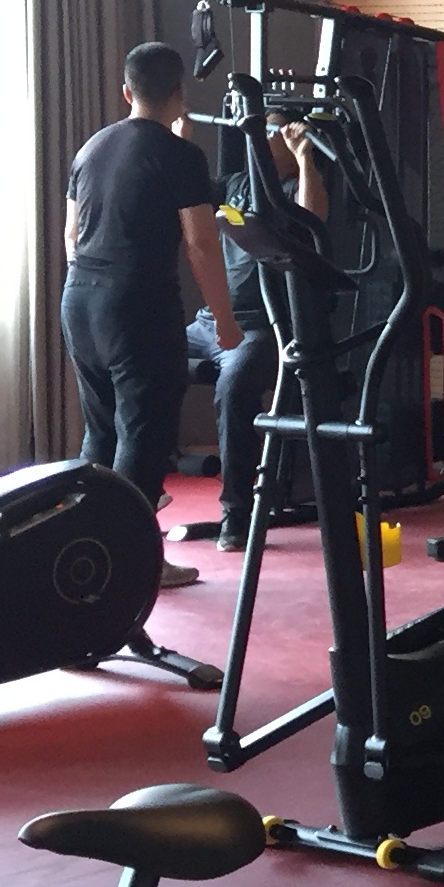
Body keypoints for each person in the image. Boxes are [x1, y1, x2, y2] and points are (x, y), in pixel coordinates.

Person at [66, 41, 238, 588]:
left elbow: (71, 236)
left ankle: (88, 554)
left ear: (127, 92)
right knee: (142, 436)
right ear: (179, 93)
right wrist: (224, 319)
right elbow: (202, 244)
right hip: (136, 304)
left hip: (79, 300)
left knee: (101, 433)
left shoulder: (92, 147)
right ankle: (134, 565)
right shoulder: (182, 156)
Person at [193, 110, 323, 550]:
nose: (260, 139)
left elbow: (315, 219)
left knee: (234, 387)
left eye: (271, 131)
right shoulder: (234, 186)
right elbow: (187, 193)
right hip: (209, 321)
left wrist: (305, 157)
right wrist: (181, 140)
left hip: (259, 329)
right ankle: (139, 490)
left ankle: (236, 514)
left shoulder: (290, 192)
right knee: (140, 354)